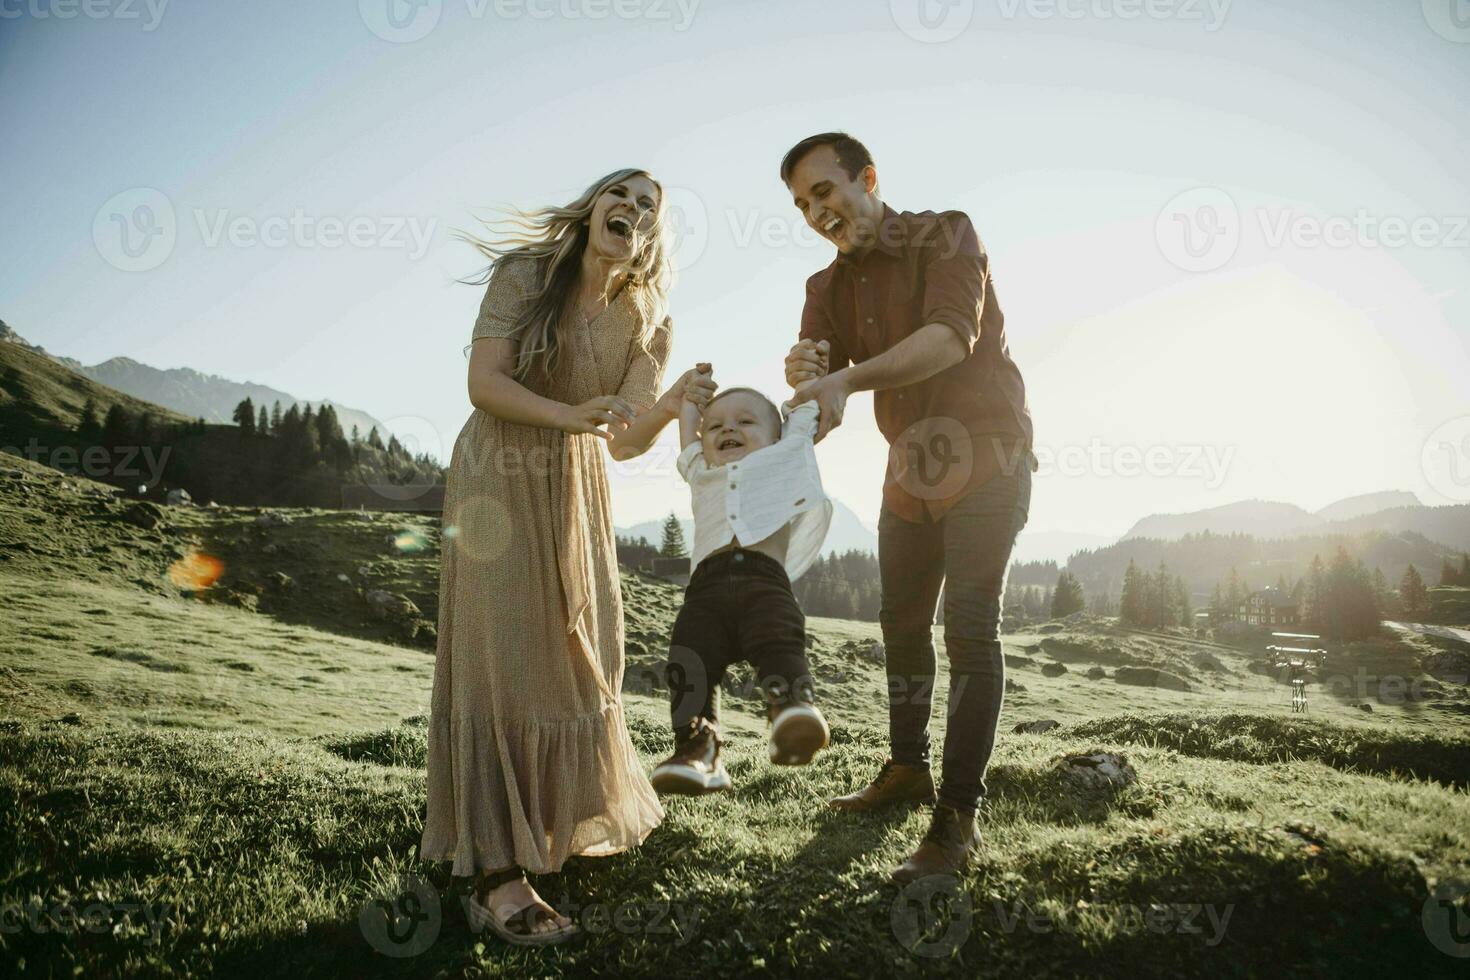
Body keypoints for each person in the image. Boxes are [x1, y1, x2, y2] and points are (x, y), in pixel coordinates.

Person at [419, 168, 717, 944]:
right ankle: (494, 873)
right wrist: (566, 415)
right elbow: (484, 384)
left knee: (580, 651)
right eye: (622, 195)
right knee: (502, 653)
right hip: (498, 478)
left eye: (650, 206)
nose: (634, 209)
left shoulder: (649, 315)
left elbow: (620, 440)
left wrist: (674, 399)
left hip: (576, 488)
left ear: (652, 234)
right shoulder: (527, 275)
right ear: (592, 211)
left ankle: (549, 826)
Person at [781, 133, 1036, 883]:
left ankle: (957, 818)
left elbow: (950, 339)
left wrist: (843, 380)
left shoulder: (946, 233)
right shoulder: (822, 289)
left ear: (867, 178)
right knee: (899, 623)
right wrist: (807, 386)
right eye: (801, 205)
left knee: (968, 627)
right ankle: (906, 768)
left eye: (824, 192)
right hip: (909, 466)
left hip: (987, 447)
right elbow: (826, 397)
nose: (816, 212)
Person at [648, 367, 833, 794]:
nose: (728, 428)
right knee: (688, 661)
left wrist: (808, 373)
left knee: (777, 639)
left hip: (763, 582)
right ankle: (698, 749)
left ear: (776, 435)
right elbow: (689, 430)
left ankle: (790, 711)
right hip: (704, 593)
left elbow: (805, 410)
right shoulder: (701, 468)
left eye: (746, 421)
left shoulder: (786, 455)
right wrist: (693, 397)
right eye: (716, 425)